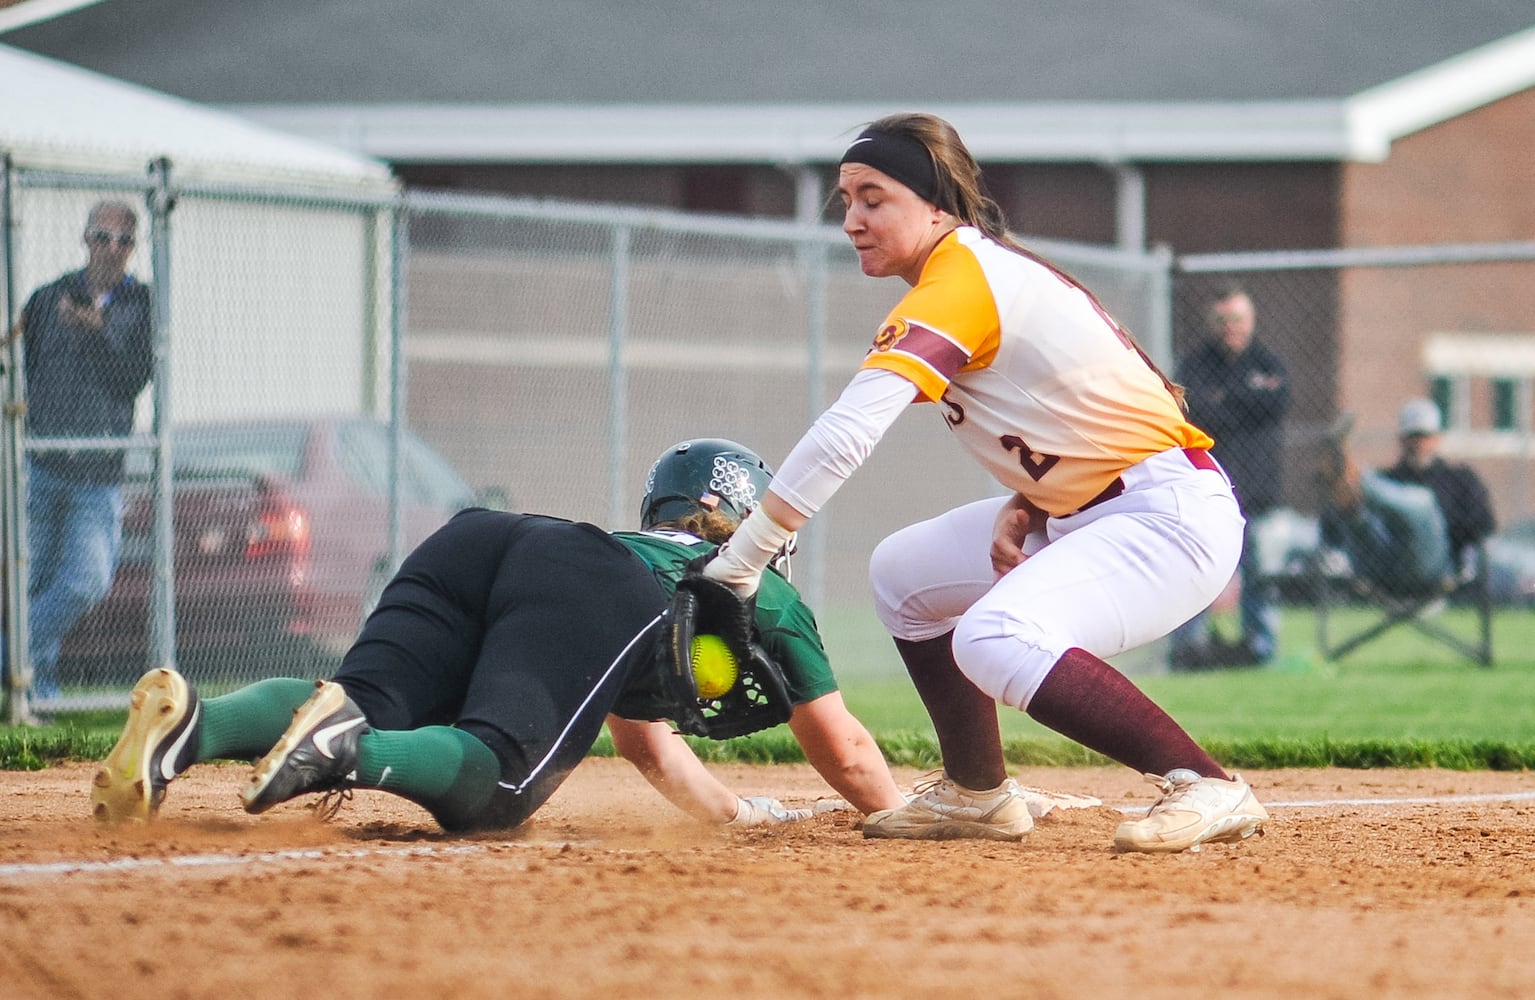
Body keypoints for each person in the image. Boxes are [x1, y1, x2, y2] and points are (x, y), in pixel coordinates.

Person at [693, 112, 1268, 853]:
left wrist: (742, 559)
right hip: (1102, 508)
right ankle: (975, 793)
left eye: (873, 197)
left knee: (995, 637)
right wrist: (1030, 499)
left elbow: (848, 431)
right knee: (904, 574)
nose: (852, 220)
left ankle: (1204, 782)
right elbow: (1100, 396)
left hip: (1169, 521)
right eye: (846, 200)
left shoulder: (960, 279)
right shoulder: (971, 271)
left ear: (935, 204)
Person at [90, 438, 908, 832]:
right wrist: (901, 813)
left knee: (361, 700)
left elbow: (648, 746)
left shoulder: (637, 554)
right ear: (735, 515)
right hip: (583, 584)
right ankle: (348, 756)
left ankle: (198, 723)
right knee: (500, 789)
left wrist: (732, 814)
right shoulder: (749, 586)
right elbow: (845, 754)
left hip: (484, 540)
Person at [12, 201, 154, 703]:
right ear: (85, 239)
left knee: (85, 581)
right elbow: (18, 367)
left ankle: (9, 656)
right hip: (43, 463)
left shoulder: (141, 306)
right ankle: (37, 697)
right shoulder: (49, 298)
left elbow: (132, 379)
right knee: (34, 580)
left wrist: (98, 334)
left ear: (133, 247)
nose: (110, 249)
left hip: (98, 472)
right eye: (101, 237)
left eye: (121, 241)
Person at [1170, 286, 1291, 669]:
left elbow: (1275, 403)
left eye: (1237, 320)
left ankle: (1261, 648)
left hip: (1259, 494)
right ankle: (1188, 650)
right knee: (1196, 571)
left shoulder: (1270, 364)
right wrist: (1242, 404)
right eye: (1223, 321)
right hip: (1206, 492)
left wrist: (1224, 404)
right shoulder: (1195, 367)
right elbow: (1194, 411)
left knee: (1262, 578)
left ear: (1251, 322)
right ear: (1212, 325)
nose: (1231, 329)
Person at [1320, 399, 1495, 597]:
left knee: (1422, 504)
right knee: (1359, 517)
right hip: (1382, 567)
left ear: (1438, 438)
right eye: (1412, 436)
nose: (1418, 443)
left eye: (1424, 436)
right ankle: (1349, 488)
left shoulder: (1459, 479)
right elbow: (1330, 529)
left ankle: (1354, 476)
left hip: (1435, 570)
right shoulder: (1388, 477)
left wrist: (1447, 529)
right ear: (1401, 439)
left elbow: (1484, 524)